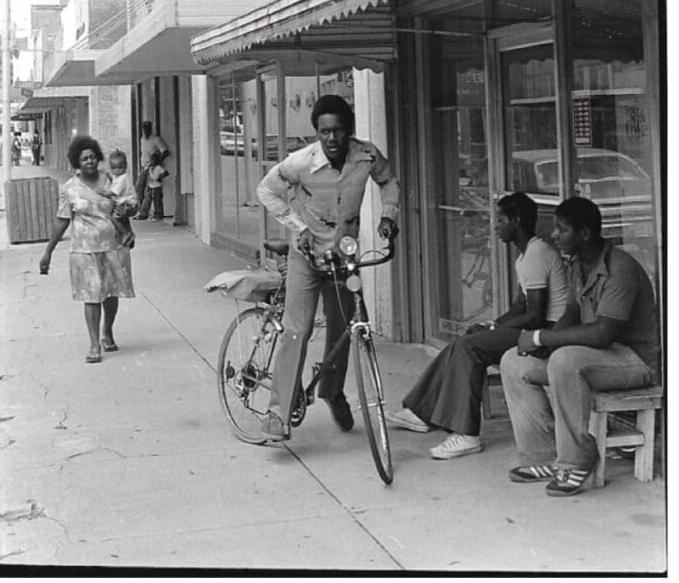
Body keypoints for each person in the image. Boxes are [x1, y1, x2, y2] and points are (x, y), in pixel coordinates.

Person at [256, 94, 400, 442]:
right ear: (316, 133)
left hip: (344, 259)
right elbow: (266, 190)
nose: (331, 139)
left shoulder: (366, 155)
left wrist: (387, 216)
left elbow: (389, 182)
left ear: (348, 130)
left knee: (344, 330)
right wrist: (298, 227)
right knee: (297, 331)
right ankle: (278, 412)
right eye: (324, 132)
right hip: (306, 258)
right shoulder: (300, 162)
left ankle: (332, 392)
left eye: (337, 131)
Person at [386, 192, 568, 460]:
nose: (495, 226)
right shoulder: (525, 255)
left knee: (469, 349)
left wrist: (493, 332)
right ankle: (419, 411)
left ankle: (467, 434)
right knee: (461, 343)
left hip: (547, 335)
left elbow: (535, 316)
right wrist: (491, 325)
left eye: (501, 219)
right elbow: (521, 307)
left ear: (516, 221)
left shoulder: (536, 253)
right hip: (535, 328)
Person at [501, 196, 659, 496]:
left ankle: (577, 462)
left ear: (584, 234)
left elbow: (602, 333)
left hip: (634, 361)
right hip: (599, 356)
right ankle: (544, 455)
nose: (554, 235)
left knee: (564, 361)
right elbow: (572, 313)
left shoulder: (620, 267)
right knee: (515, 361)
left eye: (562, 229)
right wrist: (544, 346)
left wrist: (541, 338)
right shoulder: (577, 264)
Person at [38, 134, 135, 363]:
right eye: (84, 159)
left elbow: (129, 206)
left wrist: (127, 212)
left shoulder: (111, 180)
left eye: (92, 157)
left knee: (111, 294)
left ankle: (107, 331)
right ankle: (94, 344)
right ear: (77, 162)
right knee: (91, 295)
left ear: (97, 158)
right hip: (84, 250)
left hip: (113, 246)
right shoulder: (70, 188)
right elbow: (62, 219)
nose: (89, 161)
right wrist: (48, 251)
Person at [135, 121, 169, 219]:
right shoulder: (142, 140)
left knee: (149, 191)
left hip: (151, 167)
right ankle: (140, 210)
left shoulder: (155, 139)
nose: (146, 130)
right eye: (144, 128)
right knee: (138, 188)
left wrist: (157, 163)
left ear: (151, 128)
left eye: (148, 128)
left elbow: (165, 152)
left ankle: (143, 213)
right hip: (144, 167)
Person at [106, 149, 138, 248]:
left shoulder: (122, 179)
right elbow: (114, 182)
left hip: (128, 204)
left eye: (120, 167)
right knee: (123, 220)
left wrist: (101, 192)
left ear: (125, 166)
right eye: (113, 168)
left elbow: (112, 192)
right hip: (130, 204)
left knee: (114, 218)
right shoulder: (118, 177)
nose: (116, 170)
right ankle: (130, 239)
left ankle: (126, 234)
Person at [139, 151, 168, 221]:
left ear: (157, 160)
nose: (152, 161)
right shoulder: (150, 168)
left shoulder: (158, 167)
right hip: (151, 186)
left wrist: (159, 177)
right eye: (151, 159)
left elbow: (166, 173)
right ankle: (150, 214)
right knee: (149, 200)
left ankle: (159, 215)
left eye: (154, 159)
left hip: (157, 186)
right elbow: (145, 173)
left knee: (157, 201)